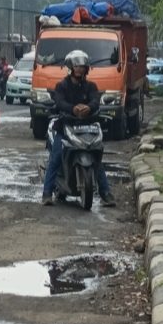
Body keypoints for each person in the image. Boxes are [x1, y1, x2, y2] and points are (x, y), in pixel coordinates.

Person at [41, 50, 116, 207]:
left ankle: (106, 193)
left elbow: (96, 101)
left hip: (87, 127)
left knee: (97, 159)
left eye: (82, 66)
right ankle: (47, 193)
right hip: (65, 126)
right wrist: (73, 108)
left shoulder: (91, 86)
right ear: (70, 67)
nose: (80, 69)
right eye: (77, 66)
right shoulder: (62, 86)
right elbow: (60, 102)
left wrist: (88, 108)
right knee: (56, 157)